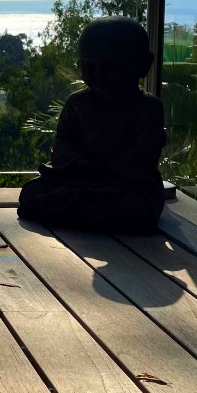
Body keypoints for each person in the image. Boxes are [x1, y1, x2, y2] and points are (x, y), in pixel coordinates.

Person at [18, 16, 166, 234]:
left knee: (135, 207)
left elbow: (144, 157)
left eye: (110, 67)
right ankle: (86, 214)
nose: (98, 75)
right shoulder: (77, 103)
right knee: (32, 193)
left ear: (143, 65)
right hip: (79, 181)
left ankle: (77, 215)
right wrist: (80, 164)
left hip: (124, 185)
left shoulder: (147, 107)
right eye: (89, 66)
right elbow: (62, 143)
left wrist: (106, 169)